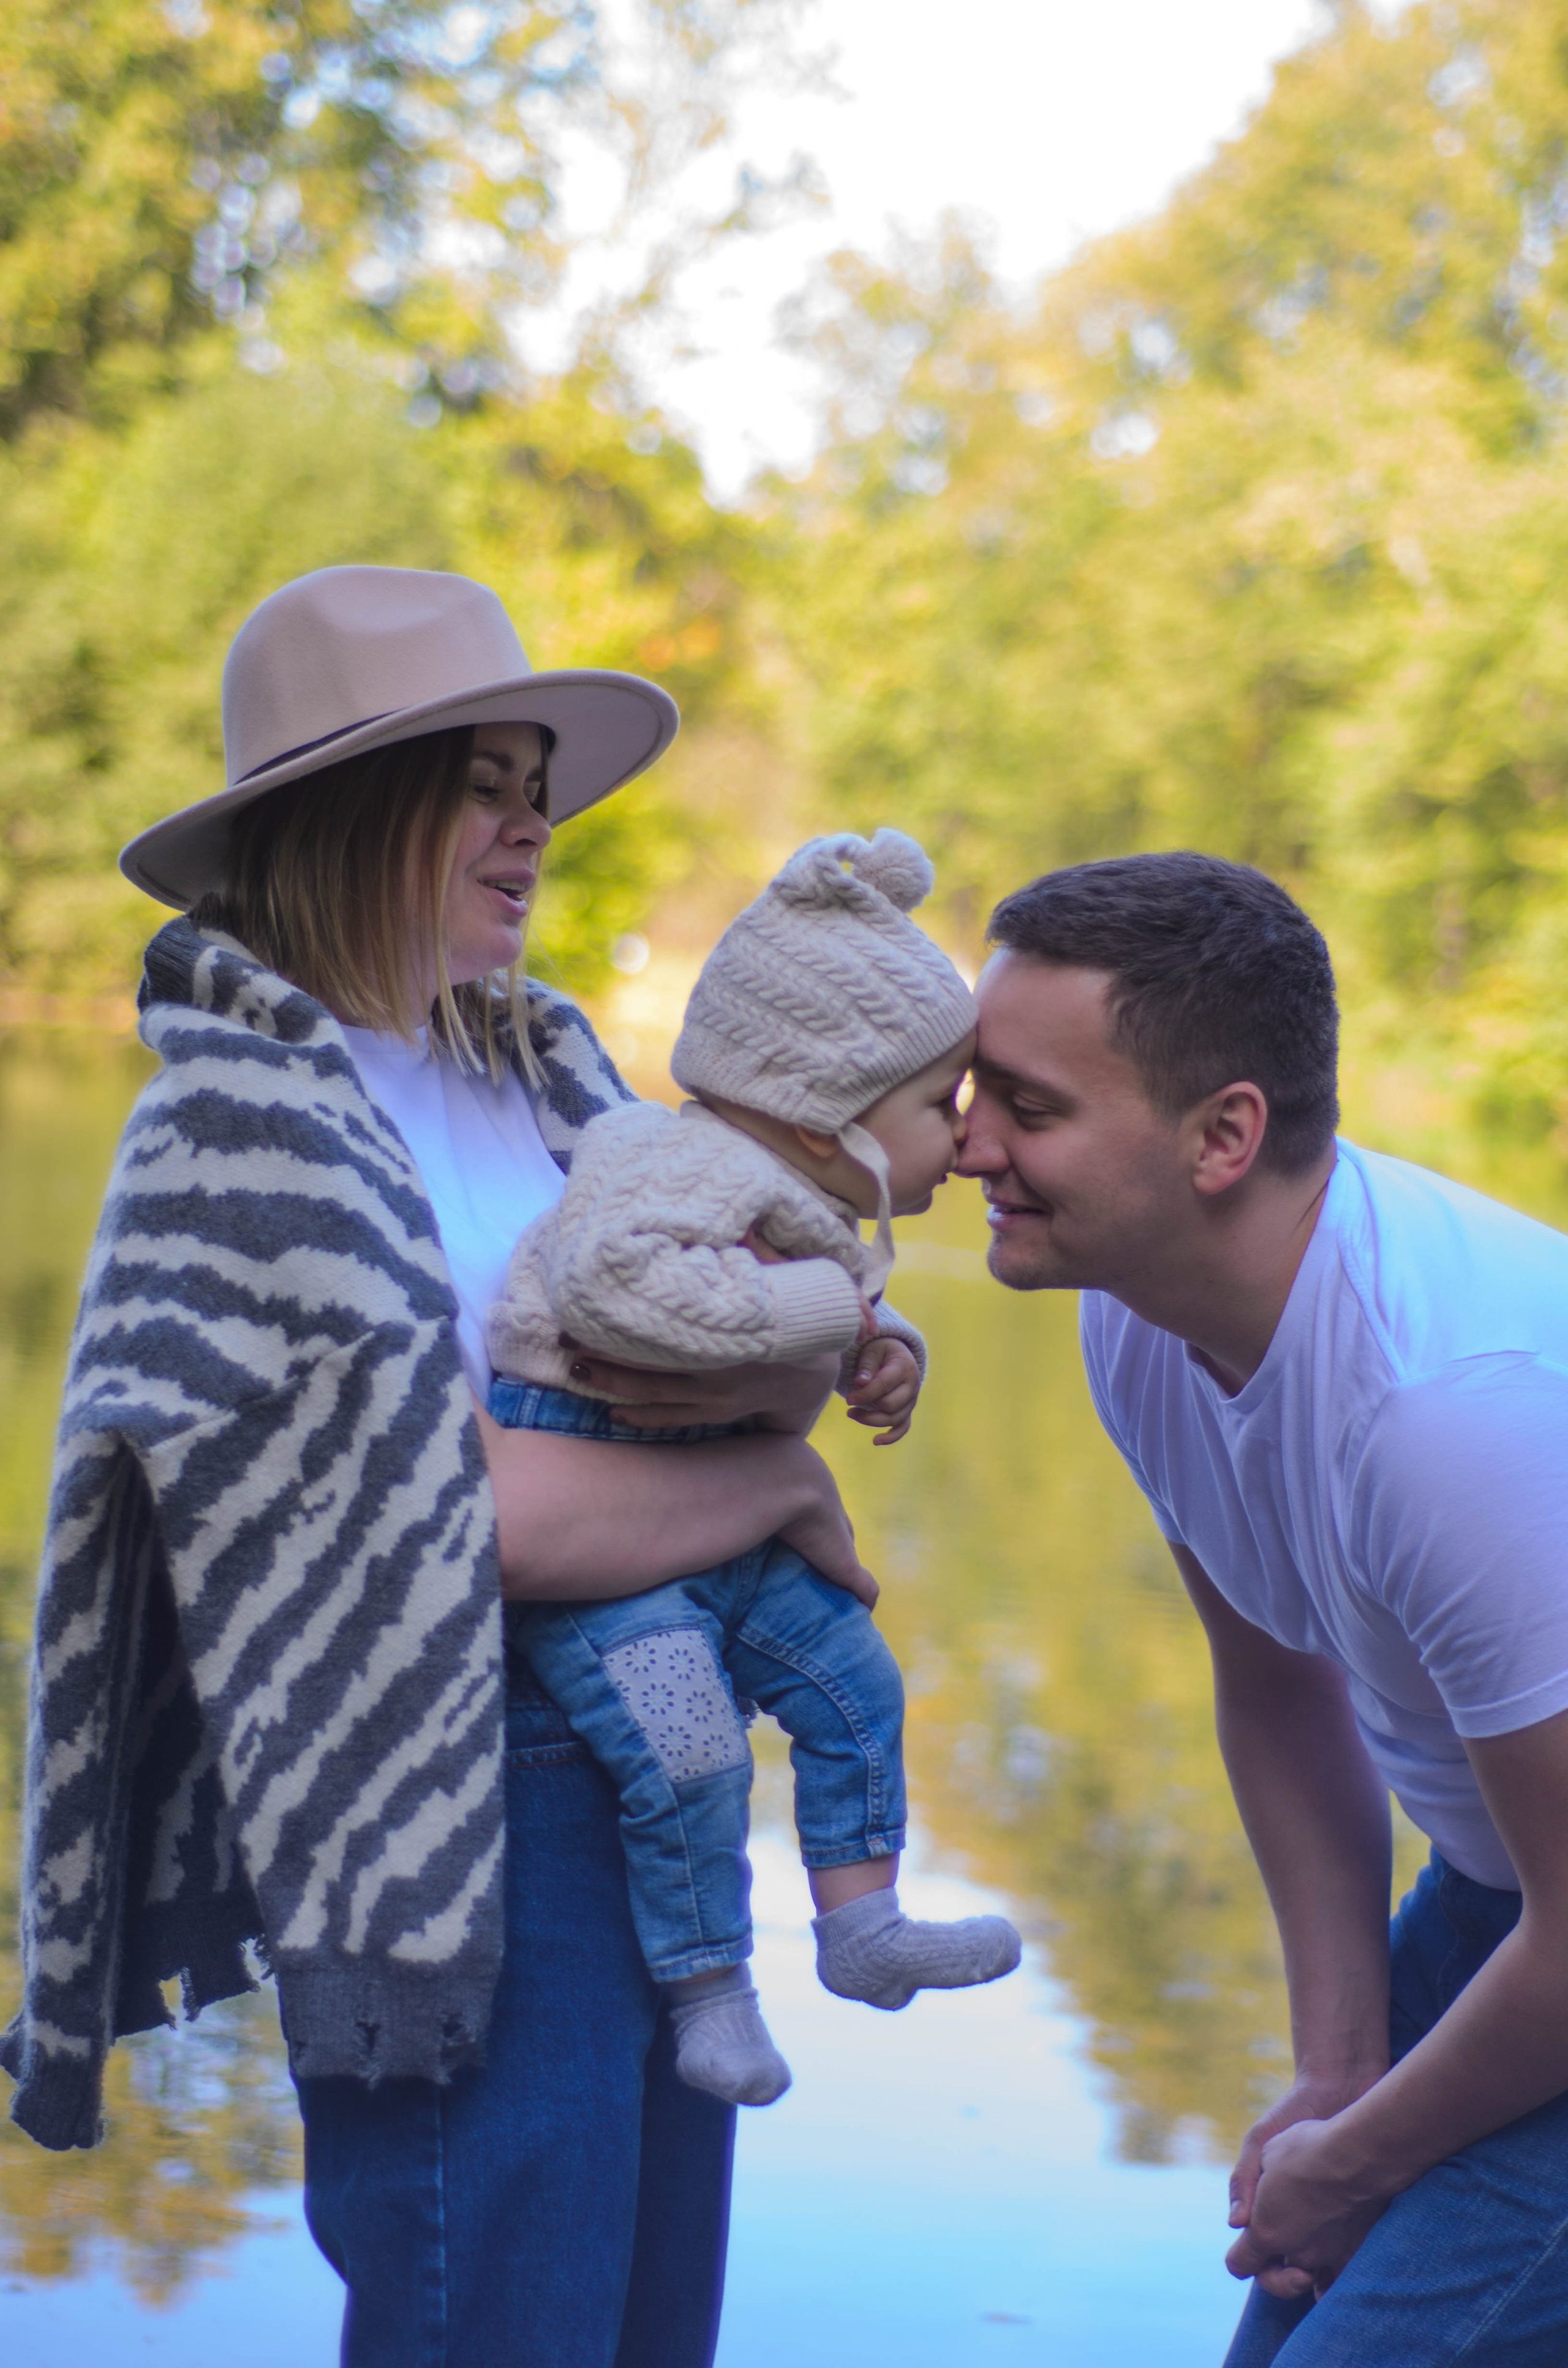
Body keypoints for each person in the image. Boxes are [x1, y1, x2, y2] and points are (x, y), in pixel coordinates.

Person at [2, 564, 875, 2368]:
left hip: (658, 1780)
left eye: (536, 781)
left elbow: (734, 1360)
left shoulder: (551, 1073)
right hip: (449, 1839)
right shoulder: (237, 1134)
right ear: (352, 804)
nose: (532, 823)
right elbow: (466, 1521)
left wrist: (813, 1354)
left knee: (652, 2338)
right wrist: (777, 1500)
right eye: (484, 780)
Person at [957, 849, 1568, 2367]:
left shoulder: (1443, 1417)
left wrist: (1357, 2155)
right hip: (1512, 1902)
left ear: (1222, 1134)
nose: (964, 1146)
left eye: (1027, 1109)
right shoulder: (1139, 1320)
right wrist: (1336, 2062)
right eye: (975, 1091)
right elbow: (1273, 1681)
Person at [486, 828, 1020, 2106]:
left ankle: (859, 1926)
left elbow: (803, 1308)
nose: (963, 1136)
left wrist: (883, 1349)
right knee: (689, 1746)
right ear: (822, 1108)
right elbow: (614, 1284)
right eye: (936, 1104)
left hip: (721, 1519)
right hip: (600, 1528)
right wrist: (828, 1323)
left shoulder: (800, 1197)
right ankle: (708, 1984)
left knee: (852, 1678)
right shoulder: (658, 1157)